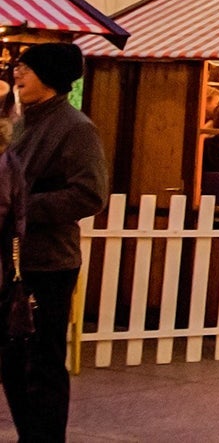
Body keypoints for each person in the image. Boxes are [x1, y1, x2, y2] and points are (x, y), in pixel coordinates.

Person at [1, 44, 108, 443]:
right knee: (14, 363)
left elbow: (89, 194)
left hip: (47, 264)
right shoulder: (20, 122)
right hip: (13, 261)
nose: (17, 73)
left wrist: (21, 207)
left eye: (25, 67)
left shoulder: (75, 127)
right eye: (17, 66)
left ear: (49, 75)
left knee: (40, 364)